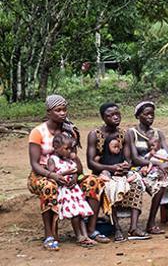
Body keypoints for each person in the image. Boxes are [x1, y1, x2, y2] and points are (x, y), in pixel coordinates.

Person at [28, 94, 108, 250]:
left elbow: (74, 160)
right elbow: (34, 164)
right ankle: (49, 234)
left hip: (67, 172)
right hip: (42, 174)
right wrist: (53, 176)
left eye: (64, 109)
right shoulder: (37, 132)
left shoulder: (70, 131)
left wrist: (74, 176)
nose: (63, 113)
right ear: (49, 112)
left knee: (94, 182)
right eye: (58, 110)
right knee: (49, 187)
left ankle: (90, 229)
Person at [87, 102, 149, 241]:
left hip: (121, 173)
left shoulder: (124, 134)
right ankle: (117, 228)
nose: (116, 117)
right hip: (103, 173)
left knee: (137, 183)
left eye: (117, 114)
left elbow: (128, 159)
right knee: (110, 188)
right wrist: (111, 168)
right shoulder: (94, 135)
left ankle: (133, 227)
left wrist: (125, 167)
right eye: (111, 115)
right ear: (103, 117)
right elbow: (90, 162)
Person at [127, 101, 168, 233]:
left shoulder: (158, 133)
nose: (150, 117)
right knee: (160, 183)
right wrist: (157, 164)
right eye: (146, 114)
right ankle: (151, 222)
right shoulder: (132, 133)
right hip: (141, 169)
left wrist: (166, 165)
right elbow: (135, 158)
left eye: (152, 114)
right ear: (138, 116)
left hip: (160, 167)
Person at [47, 133, 96, 247]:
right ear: (56, 147)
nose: (69, 151)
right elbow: (51, 175)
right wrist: (66, 173)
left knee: (80, 213)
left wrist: (74, 175)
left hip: (75, 192)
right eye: (66, 149)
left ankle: (85, 236)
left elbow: (77, 171)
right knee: (75, 214)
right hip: (64, 192)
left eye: (71, 149)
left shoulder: (69, 160)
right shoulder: (52, 160)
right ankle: (79, 236)